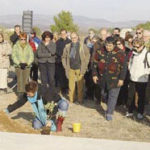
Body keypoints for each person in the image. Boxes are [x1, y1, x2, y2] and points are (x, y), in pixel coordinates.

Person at [4, 81, 69, 132]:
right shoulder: (28, 92)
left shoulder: (45, 93)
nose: (27, 95)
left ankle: (58, 122)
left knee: (64, 104)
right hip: (43, 110)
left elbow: (53, 107)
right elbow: (20, 102)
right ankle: (44, 121)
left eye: (29, 94)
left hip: (56, 103)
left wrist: (50, 120)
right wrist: (8, 110)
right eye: (27, 93)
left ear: (34, 91)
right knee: (36, 126)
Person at [92, 36, 127, 121]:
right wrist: (94, 75)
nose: (108, 47)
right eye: (107, 45)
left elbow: (124, 67)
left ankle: (109, 113)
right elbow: (94, 64)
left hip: (115, 79)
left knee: (113, 96)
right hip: (102, 78)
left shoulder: (120, 53)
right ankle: (108, 105)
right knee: (104, 94)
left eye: (110, 45)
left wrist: (122, 79)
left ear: (114, 45)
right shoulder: (100, 51)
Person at [62, 32, 90, 103]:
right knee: (71, 85)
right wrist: (65, 66)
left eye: (74, 37)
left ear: (77, 37)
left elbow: (87, 55)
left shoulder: (83, 46)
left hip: (79, 68)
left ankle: (80, 100)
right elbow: (63, 57)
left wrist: (85, 65)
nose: (73, 39)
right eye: (72, 37)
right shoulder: (67, 46)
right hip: (70, 68)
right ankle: (72, 99)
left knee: (80, 85)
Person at [126, 38, 150, 119]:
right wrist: (131, 70)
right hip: (132, 78)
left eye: (137, 47)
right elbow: (130, 63)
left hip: (142, 80)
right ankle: (130, 111)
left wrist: (145, 74)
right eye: (134, 46)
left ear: (142, 45)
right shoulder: (133, 53)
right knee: (130, 96)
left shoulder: (147, 54)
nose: (136, 48)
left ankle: (140, 112)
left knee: (141, 97)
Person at [12, 32, 34, 97]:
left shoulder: (29, 46)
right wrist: (19, 63)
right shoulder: (15, 46)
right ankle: (20, 94)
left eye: (24, 39)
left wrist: (27, 63)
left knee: (25, 80)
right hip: (18, 66)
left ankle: (25, 94)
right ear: (19, 39)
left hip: (27, 66)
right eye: (22, 39)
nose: (23, 40)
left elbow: (31, 56)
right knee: (19, 80)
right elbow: (14, 56)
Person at [36, 31, 56, 96]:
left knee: (51, 78)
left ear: (50, 38)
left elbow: (53, 52)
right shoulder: (40, 44)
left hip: (51, 63)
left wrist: (47, 46)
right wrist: (49, 55)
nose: (47, 39)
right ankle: (44, 93)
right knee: (43, 79)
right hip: (42, 63)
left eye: (48, 37)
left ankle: (52, 92)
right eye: (46, 37)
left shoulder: (53, 44)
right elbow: (39, 54)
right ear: (43, 38)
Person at [55, 29, 71, 94]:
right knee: (61, 75)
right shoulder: (58, 42)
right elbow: (56, 51)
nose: (63, 35)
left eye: (64, 33)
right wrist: (62, 56)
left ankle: (67, 88)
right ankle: (63, 88)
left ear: (66, 34)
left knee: (67, 75)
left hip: (68, 61)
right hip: (59, 61)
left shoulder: (70, 41)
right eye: (61, 34)